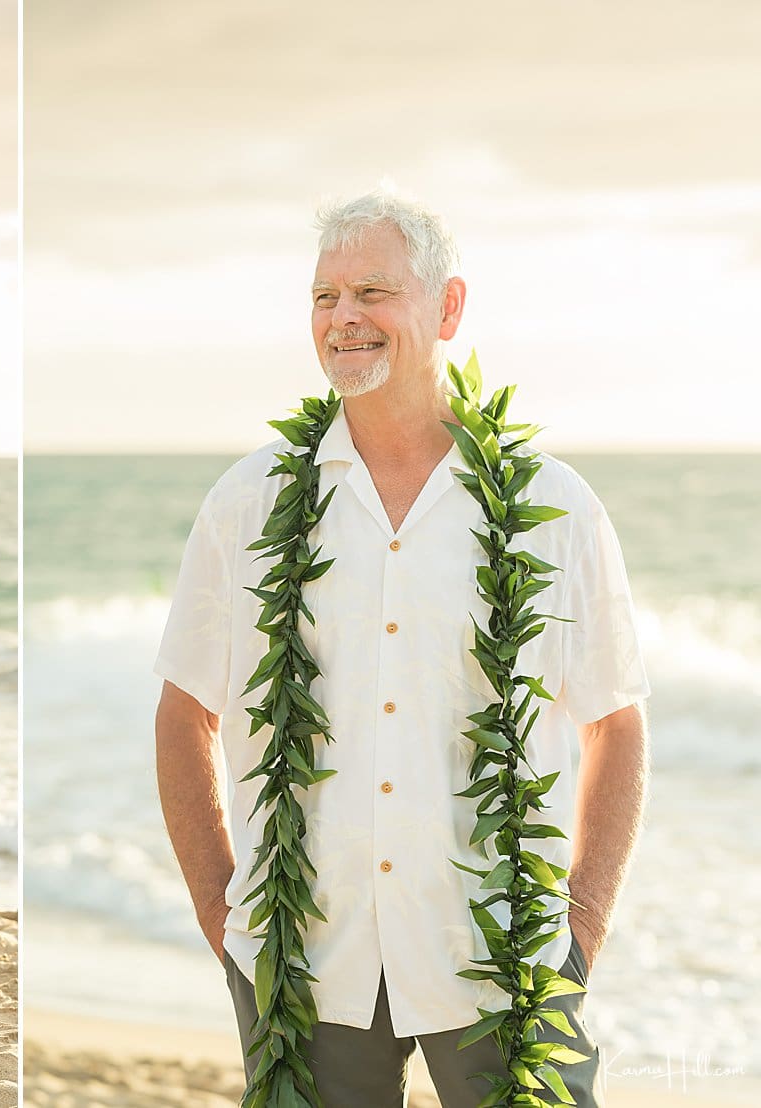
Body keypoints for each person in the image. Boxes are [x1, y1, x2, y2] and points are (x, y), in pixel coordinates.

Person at [154, 192, 649, 1107]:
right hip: (305, 962)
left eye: (373, 291)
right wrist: (222, 914)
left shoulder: (556, 505)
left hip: (505, 960)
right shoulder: (250, 500)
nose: (344, 318)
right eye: (323, 297)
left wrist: (581, 924)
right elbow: (186, 708)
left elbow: (615, 721)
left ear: (447, 308)